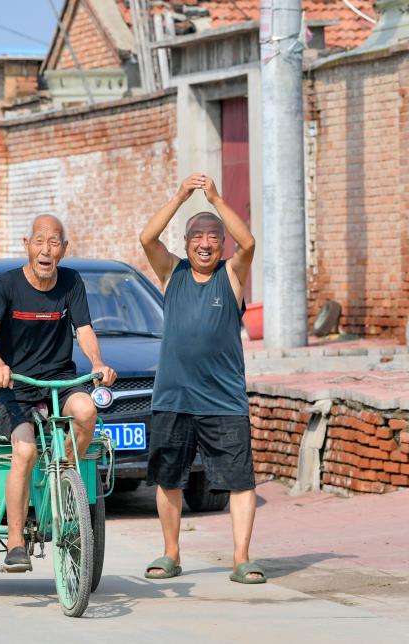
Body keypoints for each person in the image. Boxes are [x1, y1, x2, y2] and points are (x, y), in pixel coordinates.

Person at [138, 172, 264, 584]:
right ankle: (171, 553)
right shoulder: (171, 273)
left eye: (213, 237)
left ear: (221, 244)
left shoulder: (232, 275)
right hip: (172, 399)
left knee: (240, 481)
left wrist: (215, 199)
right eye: (197, 237)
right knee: (169, 478)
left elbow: (248, 242)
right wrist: (180, 196)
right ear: (187, 242)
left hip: (224, 402)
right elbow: (147, 238)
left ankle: (241, 559)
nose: (206, 243)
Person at [0, 214, 117, 573]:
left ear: (64, 249)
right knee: (25, 450)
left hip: (59, 379)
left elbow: (83, 329)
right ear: (27, 245)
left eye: (54, 242)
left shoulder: (71, 282)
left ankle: (62, 473)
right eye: (39, 241)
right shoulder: (6, 284)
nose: (46, 249)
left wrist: (98, 362)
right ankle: (15, 544)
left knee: (86, 411)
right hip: (16, 385)